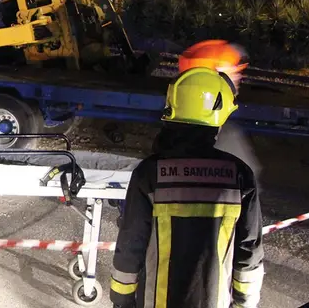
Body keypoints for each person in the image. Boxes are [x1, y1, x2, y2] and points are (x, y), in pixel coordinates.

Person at [110, 68, 264, 308]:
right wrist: (245, 304)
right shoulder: (240, 176)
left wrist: (121, 300)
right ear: (218, 117)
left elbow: (130, 246)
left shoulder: (150, 173)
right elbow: (249, 253)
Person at [176, 40, 261, 180]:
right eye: (231, 72)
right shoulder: (226, 139)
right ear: (209, 79)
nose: (238, 76)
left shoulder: (173, 138)